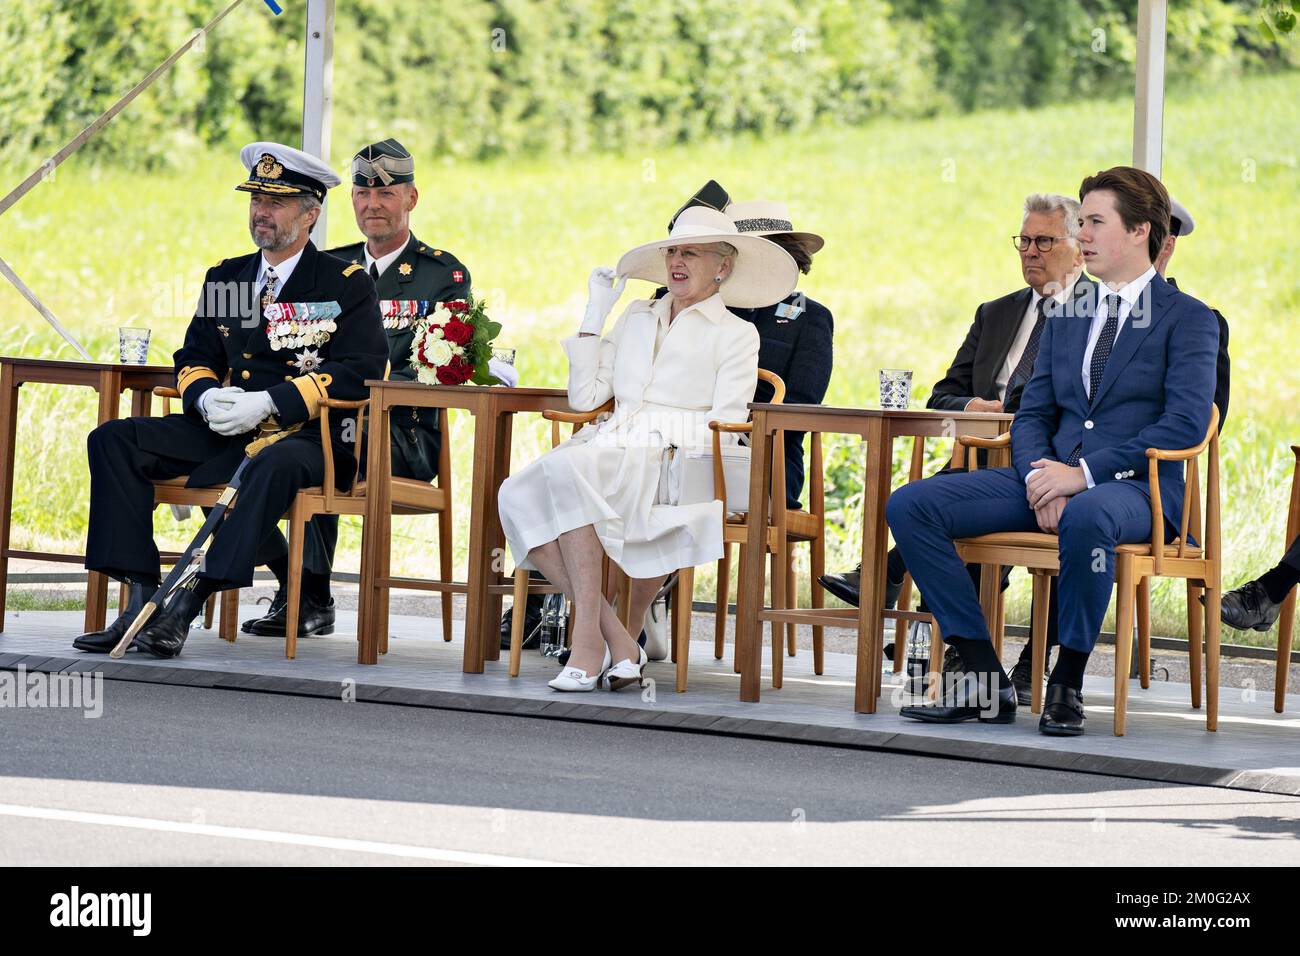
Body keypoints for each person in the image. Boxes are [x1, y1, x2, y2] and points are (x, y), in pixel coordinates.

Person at [886, 166, 1219, 735]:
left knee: (1089, 513)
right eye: (1082, 222)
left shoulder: (1190, 319)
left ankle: (1066, 682)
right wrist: (1044, 475)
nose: (1081, 234)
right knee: (911, 505)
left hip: (1139, 490)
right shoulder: (1068, 313)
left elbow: (1184, 425)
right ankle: (985, 674)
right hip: (1051, 475)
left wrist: (1082, 476)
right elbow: (1035, 411)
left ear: (1140, 230)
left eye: (1094, 222)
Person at [72, 142, 387, 658]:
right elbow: (193, 353)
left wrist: (272, 402)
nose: (261, 212)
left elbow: (360, 371)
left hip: (305, 436)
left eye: (276, 202)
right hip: (223, 427)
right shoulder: (230, 277)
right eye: (255, 199)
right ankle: (139, 599)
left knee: (271, 466)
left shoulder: (341, 283)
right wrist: (204, 396)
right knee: (113, 440)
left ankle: (187, 605)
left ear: (310, 214)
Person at [496, 207, 797, 691]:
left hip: (676, 454)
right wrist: (595, 314)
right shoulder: (637, 315)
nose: (677, 261)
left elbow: (729, 420)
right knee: (513, 494)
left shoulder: (737, 333)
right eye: (672, 251)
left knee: (573, 476)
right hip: (610, 440)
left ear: (723, 266)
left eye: (691, 253)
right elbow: (586, 399)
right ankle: (616, 638)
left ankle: (589, 644)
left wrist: (660, 441)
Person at [819, 192, 1086, 698]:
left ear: (1078, 248)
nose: (1030, 251)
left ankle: (898, 586)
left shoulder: (1097, 313)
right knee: (928, 504)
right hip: (981, 455)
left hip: (1054, 464)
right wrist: (970, 409)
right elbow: (943, 391)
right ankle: (965, 658)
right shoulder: (997, 312)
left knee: (939, 510)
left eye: (1044, 241)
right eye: (1023, 241)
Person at [240, 138, 492, 639]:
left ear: (411, 199)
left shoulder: (442, 273)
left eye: (386, 193)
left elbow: (442, 372)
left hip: (404, 434)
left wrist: (345, 395)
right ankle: (303, 586)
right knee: (244, 445)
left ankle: (307, 594)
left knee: (329, 435)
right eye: (361, 194)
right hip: (319, 416)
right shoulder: (327, 266)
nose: (372, 205)